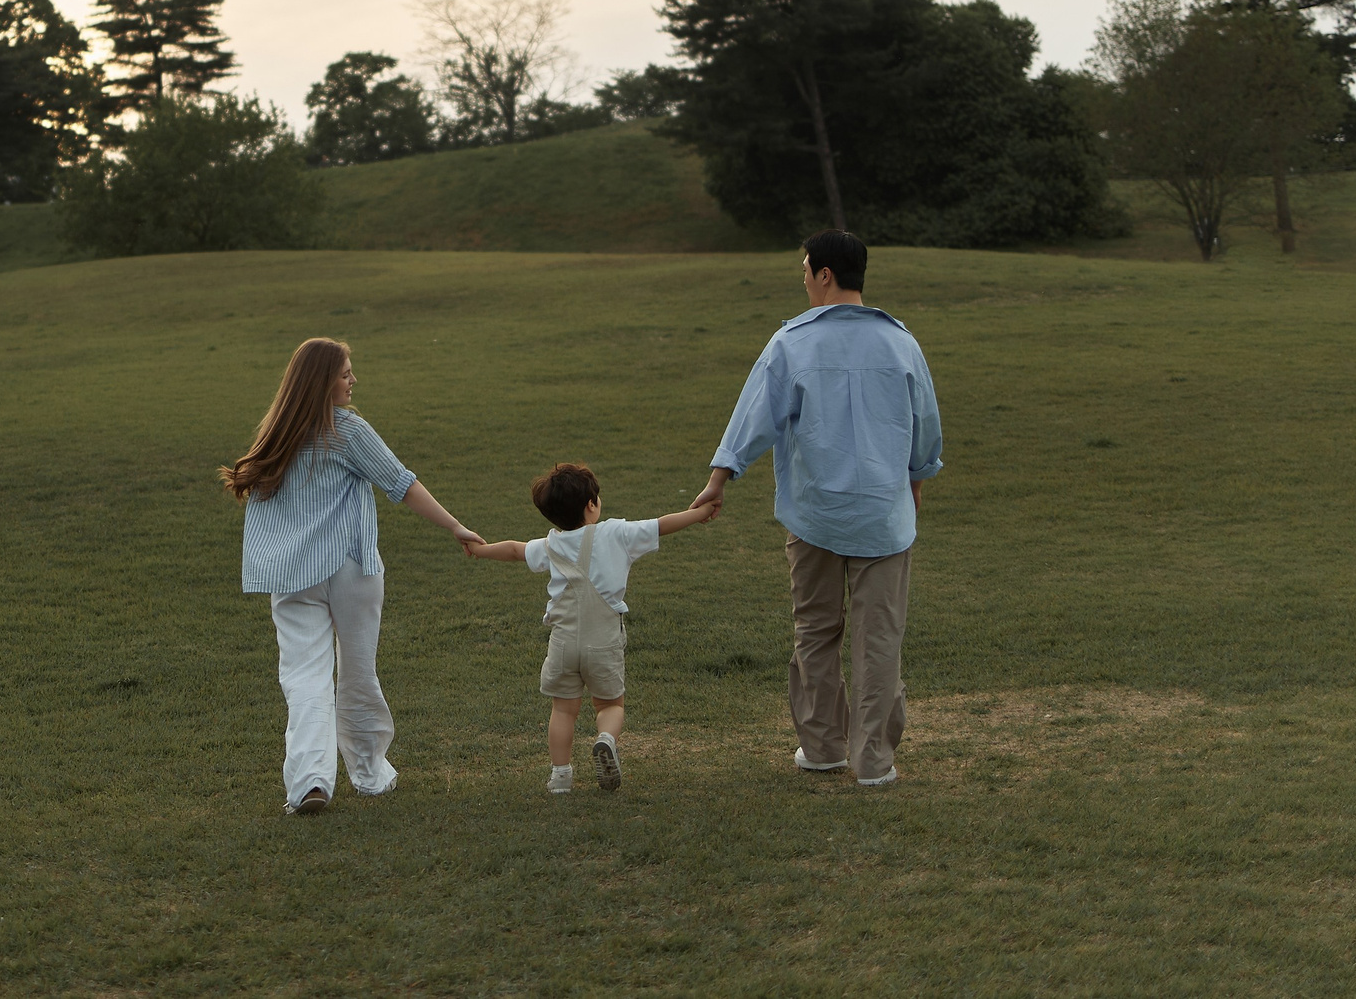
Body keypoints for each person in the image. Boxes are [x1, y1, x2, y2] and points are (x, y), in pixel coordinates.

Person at [693, 230, 942, 788]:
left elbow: (754, 417)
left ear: (825, 274)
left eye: (805, 268)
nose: (803, 277)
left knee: (816, 630)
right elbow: (925, 424)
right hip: (885, 515)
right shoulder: (901, 342)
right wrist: (918, 480)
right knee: (878, 638)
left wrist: (719, 479)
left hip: (815, 516)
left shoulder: (791, 342)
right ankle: (874, 761)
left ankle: (823, 747)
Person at [223, 337, 482, 816]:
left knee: (304, 677)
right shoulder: (347, 430)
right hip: (349, 567)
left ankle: (308, 784)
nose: (353, 380)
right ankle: (368, 774)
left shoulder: (274, 435)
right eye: (345, 373)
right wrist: (454, 526)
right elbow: (400, 483)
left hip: (290, 573)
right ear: (324, 382)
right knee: (358, 671)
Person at [467, 463, 718, 794]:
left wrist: (480, 550)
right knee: (610, 705)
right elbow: (661, 526)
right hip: (604, 641)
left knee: (563, 709)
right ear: (591, 505)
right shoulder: (616, 533)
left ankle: (560, 776)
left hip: (563, 643)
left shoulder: (552, 544)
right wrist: (699, 513)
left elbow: (514, 550)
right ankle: (605, 739)